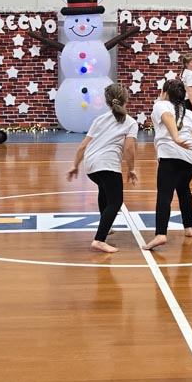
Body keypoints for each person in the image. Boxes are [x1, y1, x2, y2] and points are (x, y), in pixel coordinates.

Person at [67, 83, 139, 254]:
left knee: (104, 191)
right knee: (116, 202)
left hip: (91, 165)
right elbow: (129, 149)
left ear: (107, 102)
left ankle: (106, 228)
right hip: (107, 164)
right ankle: (99, 239)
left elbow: (83, 145)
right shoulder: (130, 122)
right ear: (126, 99)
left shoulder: (99, 120)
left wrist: (75, 165)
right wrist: (131, 169)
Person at [143, 78, 192, 251]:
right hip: (191, 158)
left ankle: (161, 234)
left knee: (165, 194)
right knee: (183, 189)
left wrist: (176, 138)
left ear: (165, 93)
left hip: (170, 154)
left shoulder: (161, 105)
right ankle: (189, 228)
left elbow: (168, 117)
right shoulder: (189, 113)